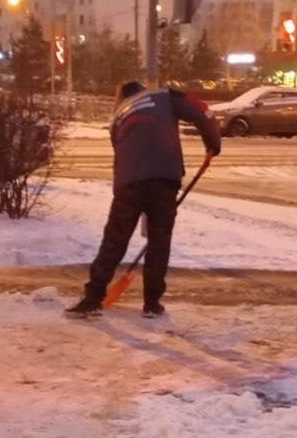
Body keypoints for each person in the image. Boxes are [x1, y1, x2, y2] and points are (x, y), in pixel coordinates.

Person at [68, 81, 221, 318]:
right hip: (164, 179)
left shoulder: (117, 117)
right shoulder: (165, 96)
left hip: (129, 183)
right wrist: (212, 144)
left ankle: (92, 298)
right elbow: (204, 112)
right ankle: (152, 303)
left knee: (114, 241)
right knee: (159, 241)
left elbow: (121, 150)